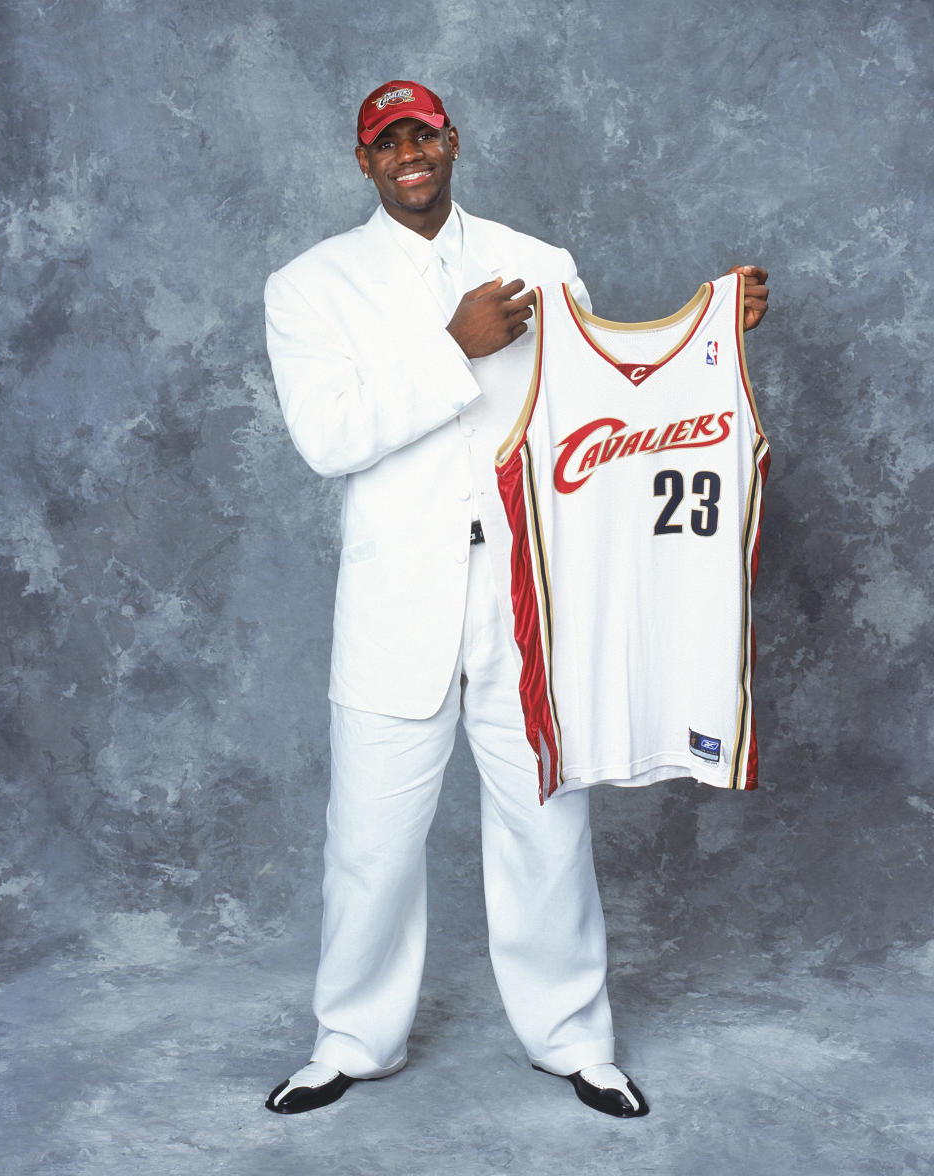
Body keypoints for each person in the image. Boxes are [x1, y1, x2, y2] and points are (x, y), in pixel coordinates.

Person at [262, 80, 769, 1119]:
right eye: (387, 141)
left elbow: (603, 400)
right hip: (396, 606)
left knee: (548, 827)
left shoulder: (541, 264)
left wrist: (713, 327)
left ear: (453, 143)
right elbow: (330, 439)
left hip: (528, 598)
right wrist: (455, 347)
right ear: (364, 162)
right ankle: (352, 1042)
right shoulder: (309, 287)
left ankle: (574, 1040)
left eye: (425, 134)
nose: (410, 152)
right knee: (369, 842)